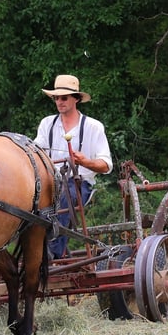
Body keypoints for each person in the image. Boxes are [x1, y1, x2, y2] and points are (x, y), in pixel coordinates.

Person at [34, 74, 112, 258]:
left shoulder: (93, 127)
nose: (59, 102)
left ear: (76, 98)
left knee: (64, 197)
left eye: (64, 97)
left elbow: (106, 165)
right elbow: (35, 152)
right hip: (49, 182)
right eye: (56, 98)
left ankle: (51, 253)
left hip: (79, 184)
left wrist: (84, 161)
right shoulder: (47, 124)